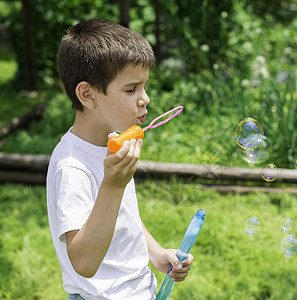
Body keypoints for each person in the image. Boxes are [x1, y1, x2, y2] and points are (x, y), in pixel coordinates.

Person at [46, 18, 193, 299]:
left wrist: (155, 252)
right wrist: (113, 186)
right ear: (87, 94)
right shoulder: (72, 166)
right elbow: (83, 263)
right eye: (131, 89)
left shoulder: (112, 144)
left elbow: (124, 217)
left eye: (145, 87)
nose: (145, 99)